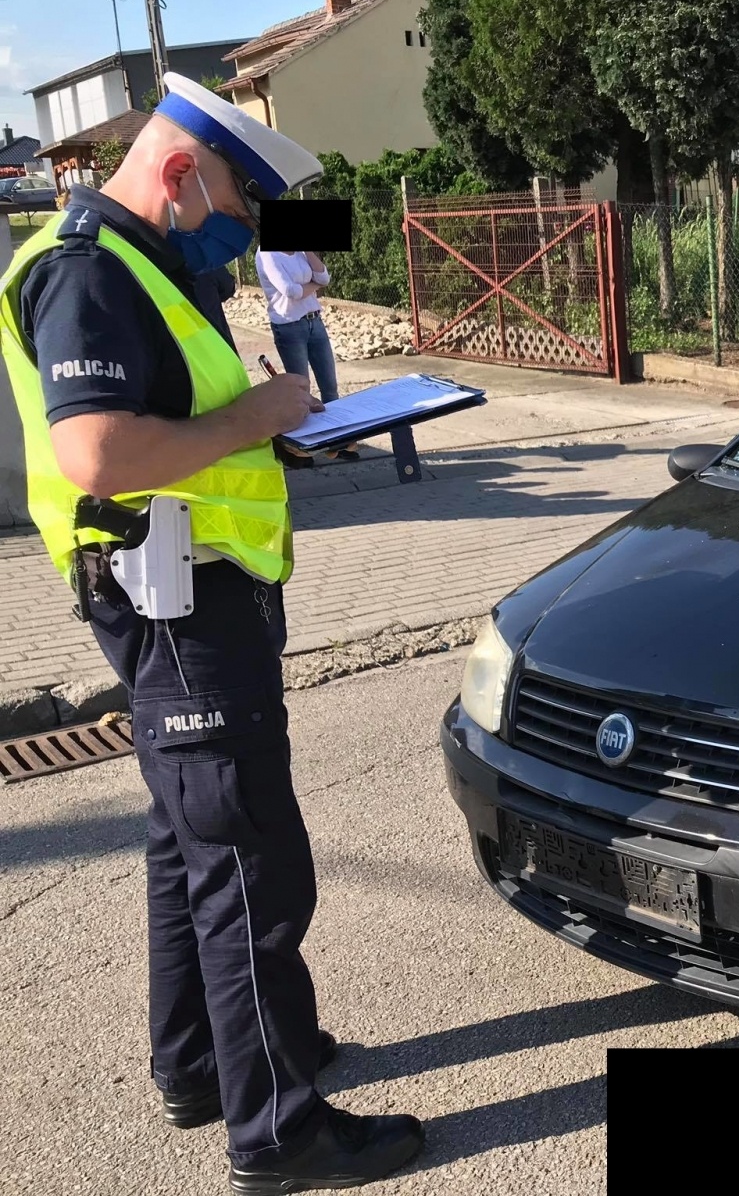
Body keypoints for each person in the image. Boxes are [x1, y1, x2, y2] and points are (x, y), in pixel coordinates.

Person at [0, 74, 424, 1189]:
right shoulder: (90, 270)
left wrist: (274, 432)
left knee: (185, 841)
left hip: (184, 595)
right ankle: (280, 1130)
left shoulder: (134, 261)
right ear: (183, 171)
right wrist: (259, 415)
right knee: (246, 864)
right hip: (175, 604)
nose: (245, 237)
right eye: (241, 204)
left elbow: (177, 425)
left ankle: (201, 1064)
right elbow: (98, 452)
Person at [255, 250, 357, 464]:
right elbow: (290, 291)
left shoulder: (301, 253)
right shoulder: (268, 254)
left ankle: (338, 442)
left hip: (315, 322)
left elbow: (324, 277)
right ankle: (302, 450)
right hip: (289, 326)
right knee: (300, 391)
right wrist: (315, 287)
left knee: (330, 386)